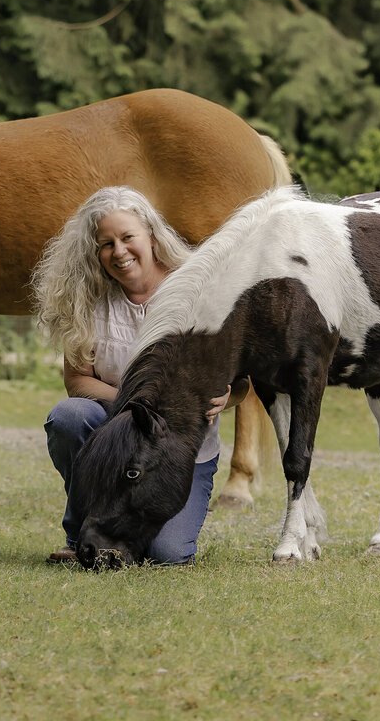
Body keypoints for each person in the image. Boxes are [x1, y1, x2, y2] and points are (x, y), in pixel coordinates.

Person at [32, 186, 248, 565]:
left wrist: (231, 396)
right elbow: (77, 381)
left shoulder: (199, 292)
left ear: (151, 234)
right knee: (70, 417)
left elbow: (245, 378)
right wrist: (139, 411)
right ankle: (82, 534)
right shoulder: (88, 304)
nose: (119, 251)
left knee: (167, 555)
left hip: (180, 452)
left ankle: (127, 536)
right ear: (94, 252)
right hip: (113, 433)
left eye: (128, 237)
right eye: (106, 243)